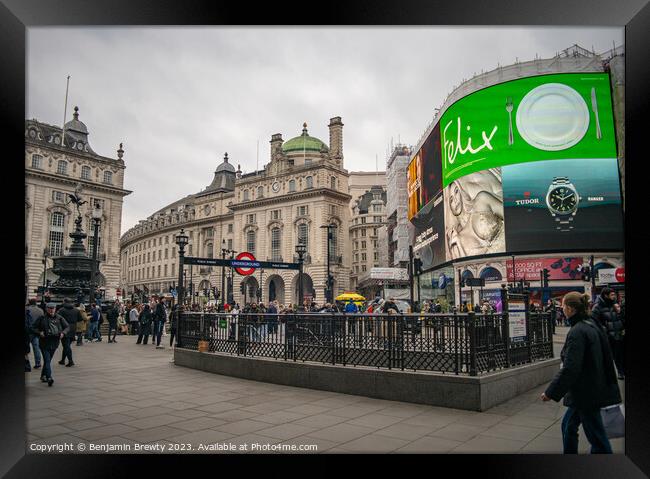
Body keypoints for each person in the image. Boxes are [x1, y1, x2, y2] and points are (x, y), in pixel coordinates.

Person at [542, 292, 621, 454]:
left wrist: (551, 392)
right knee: (568, 426)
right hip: (592, 388)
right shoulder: (591, 324)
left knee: (598, 439)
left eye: (563, 305)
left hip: (587, 393)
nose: (562, 308)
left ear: (570, 309)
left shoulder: (578, 331)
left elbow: (571, 368)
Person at [31, 303, 70, 386]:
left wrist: (63, 333)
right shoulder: (41, 318)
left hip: (55, 343)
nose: (52, 310)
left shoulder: (59, 318)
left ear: (55, 309)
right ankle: (49, 377)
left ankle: (43, 376)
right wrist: (39, 332)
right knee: (47, 360)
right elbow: (33, 327)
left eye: (53, 308)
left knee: (47, 361)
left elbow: (67, 327)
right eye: (50, 308)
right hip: (44, 343)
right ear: (46, 309)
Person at [591, 288, 625, 380]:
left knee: (620, 354)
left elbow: (621, 318)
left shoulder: (615, 305)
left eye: (614, 295)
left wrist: (620, 313)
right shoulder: (597, 307)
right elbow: (594, 321)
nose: (614, 296)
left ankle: (621, 372)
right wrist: (604, 330)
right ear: (606, 295)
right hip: (608, 336)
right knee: (609, 357)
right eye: (612, 295)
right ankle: (611, 374)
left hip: (619, 334)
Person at [56, 298, 82, 367]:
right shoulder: (76, 310)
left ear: (64, 302)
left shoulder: (62, 310)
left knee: (66, 345)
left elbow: (57, 319)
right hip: (73, 328)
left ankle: (71, 361)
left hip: (65, 328)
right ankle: (62, 360)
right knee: (67, 345)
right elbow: (80, 319)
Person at [26, 299, 43, 370]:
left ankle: (26, 365)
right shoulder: (40, 310)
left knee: (26, 349)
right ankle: (38, 363)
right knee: (36, 348)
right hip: (36, 332)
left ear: (29, 302)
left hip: (27, 332)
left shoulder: (27, 309)